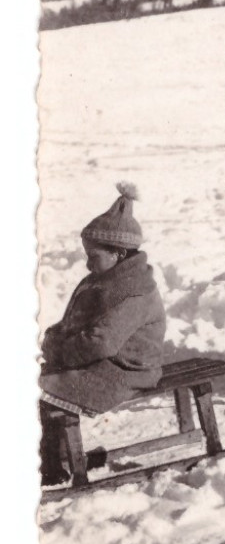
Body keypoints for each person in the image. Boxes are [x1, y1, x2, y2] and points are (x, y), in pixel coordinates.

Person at [39, 183, 166, 485]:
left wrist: (60, 352)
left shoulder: (132, 290)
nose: (87, 263)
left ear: (119, 253)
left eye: (93, 256)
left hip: (127, 370)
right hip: (102, 364)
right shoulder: (103, 279)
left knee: (42, 391)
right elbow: (74, 322)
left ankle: (52, 467)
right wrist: (54, 340)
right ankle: (55, 457)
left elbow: (101, 341)